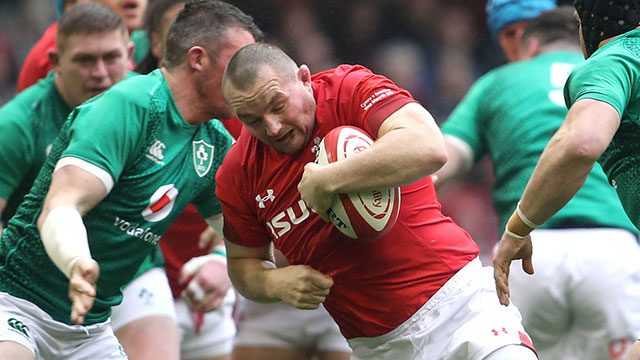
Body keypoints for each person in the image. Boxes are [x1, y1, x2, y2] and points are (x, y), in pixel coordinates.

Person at [215, 42, 537, 360]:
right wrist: (274, 283)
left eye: (277, 105)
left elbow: (429, 146)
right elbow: (244, 264)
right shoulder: (237, 174)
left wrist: (329, 179)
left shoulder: (348, 88)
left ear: (303, 78)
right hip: (377, 347)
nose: (271, 127)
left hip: (462, 307)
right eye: (251, 120)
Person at [0, 1, 260, 359]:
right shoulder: (130, 105)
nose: (250, 76)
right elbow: (60, 207)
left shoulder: (215, 143)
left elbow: (255, 241)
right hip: (16, 301)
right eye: (239, 64)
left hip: (90, 326)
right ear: (197, 59)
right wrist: (77, 261)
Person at [435, 5, 640, 359]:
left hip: (530, 251)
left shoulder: (503, 81)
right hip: (615, 250)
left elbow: (442, 156)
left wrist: (390, 184)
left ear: (529, 47)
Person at [136, 1, 246, 358]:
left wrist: (222, 260)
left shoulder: (230, 113)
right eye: (179, 33)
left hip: (209, 290)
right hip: (132, 290)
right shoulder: (128, 109)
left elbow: (254, 211)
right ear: (157, 44)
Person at [16, 0, 148, 92]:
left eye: (111, 57)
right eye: (85, 60)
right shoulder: (63, 44)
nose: (100, 73)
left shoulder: (137, 38)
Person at [485, 0, 557, 62]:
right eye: (510, 34)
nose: (519, 40)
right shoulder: (493, 78)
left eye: (529, 30)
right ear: (500, 43)